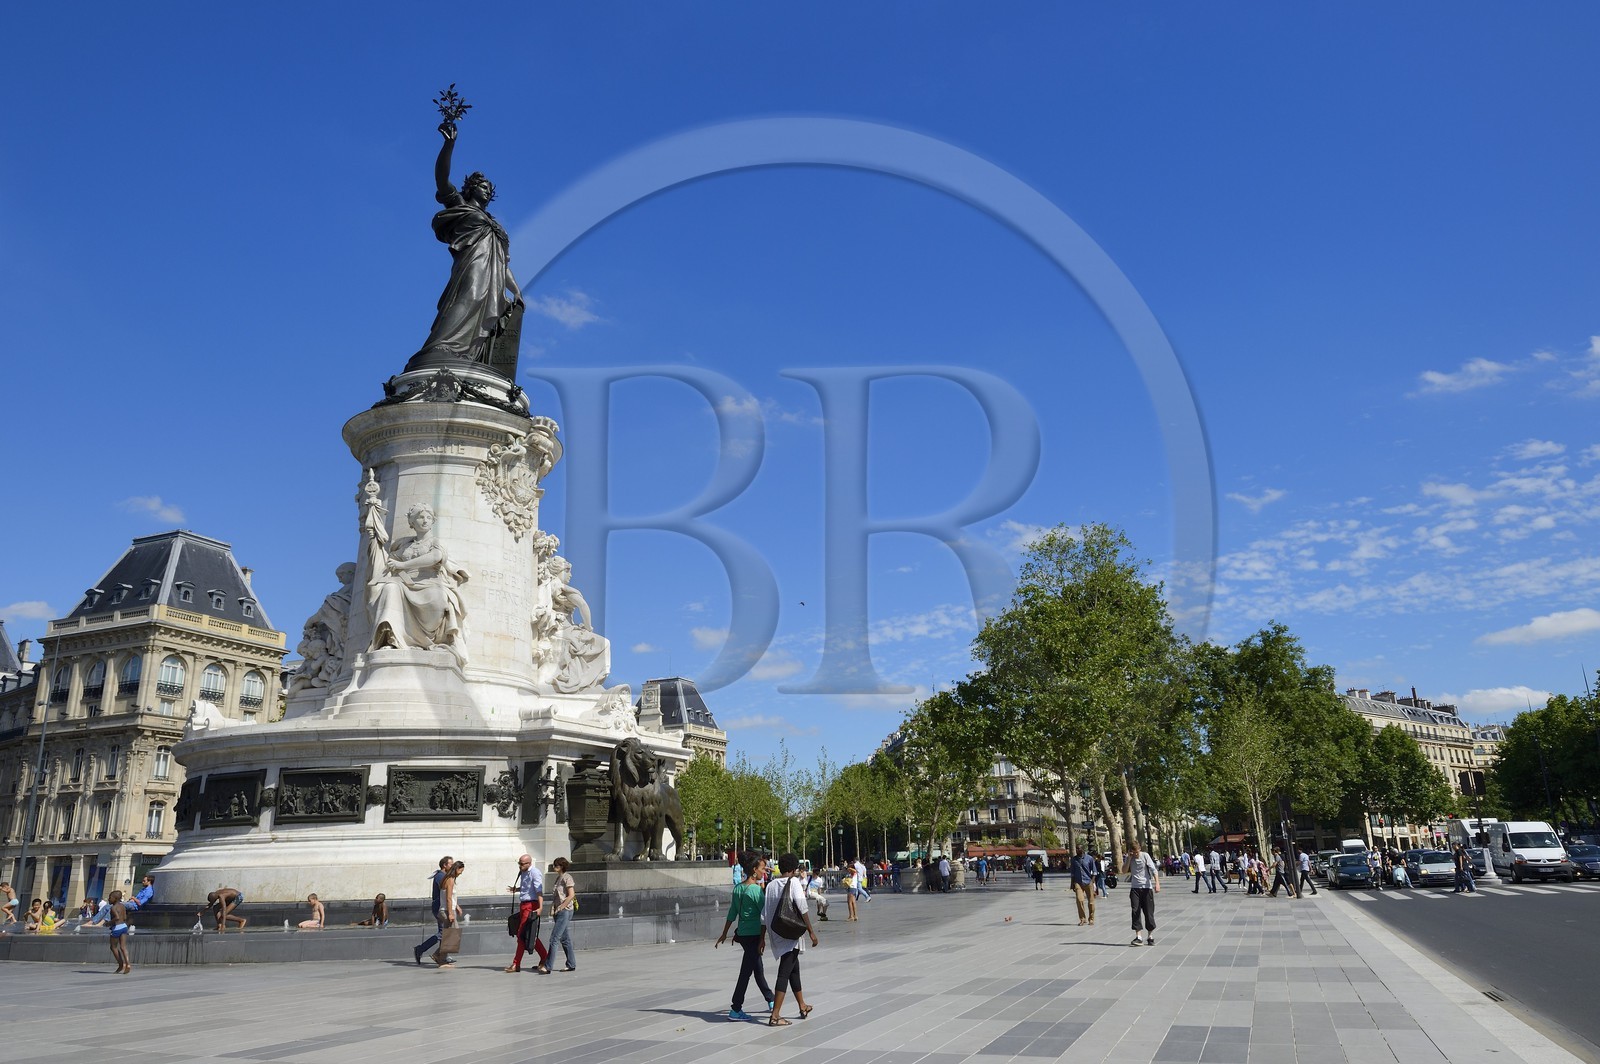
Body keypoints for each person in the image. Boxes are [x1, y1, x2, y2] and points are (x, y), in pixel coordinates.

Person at [412, 117, 523, 367]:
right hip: (472, 265)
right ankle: (442, 346)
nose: (487, 190)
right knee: (470, 296)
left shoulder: (495, 224)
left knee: (486, 311)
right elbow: (442, 180)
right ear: (471, 188)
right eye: (482, 186)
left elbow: (503, 263)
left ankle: (469, 355)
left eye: (489, 188)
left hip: (493, 275)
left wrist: (516, 290)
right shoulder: (461, 205)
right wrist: (448, 146)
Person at [714, 852, 775, 1021]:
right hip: (754, 934)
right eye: (762, 869)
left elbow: (732, 913)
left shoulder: (738, 888)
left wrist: (724, 933)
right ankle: (736, 1008)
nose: (765, 871)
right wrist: (763, 938)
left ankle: (770, 999)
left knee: (757, 969)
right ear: (754, 870)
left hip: (743, 934)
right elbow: (764, 915)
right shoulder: (755, 890)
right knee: (746, 972)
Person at [764, 853, 818, 1027]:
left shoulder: (771, 885)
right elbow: (802, 908)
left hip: (777, 932)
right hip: (791, 932)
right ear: (794, 869)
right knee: (784, 972)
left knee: (794, 970)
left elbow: (764, 914)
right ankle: (775, 1015)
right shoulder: (794, 882)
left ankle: (802, 1006)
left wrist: (762, 938)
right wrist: (811, 932)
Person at [505, 853, 550, 974]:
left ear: (529, 863)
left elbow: (539, 891)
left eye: (522, 864)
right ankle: (544, 957)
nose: (520, 866)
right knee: (529, 934)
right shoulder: (523, 872)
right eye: (519, 863)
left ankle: (516, 963)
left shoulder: (534, 873)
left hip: (531, 905)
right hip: (524, 905)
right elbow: (527, 888)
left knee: (521, 935)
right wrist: (517, 889)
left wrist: (540, 907)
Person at [414, 855, 453, 964]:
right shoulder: (441, 876)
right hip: (440, 907)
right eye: (451, 864)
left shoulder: (442, 875)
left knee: (444, 932)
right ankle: (422, 949)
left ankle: (442, 956)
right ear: (445, 865)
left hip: (440, 906)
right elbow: (446, 892)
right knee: (444, 932)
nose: (452, 866)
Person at [546, 856, 578, 973]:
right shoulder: (558, 878)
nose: (554, 867)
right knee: (565, 939)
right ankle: (571, 964)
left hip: (565, 911)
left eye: (557, 865)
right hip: (559, 911)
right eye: (554, 865)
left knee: (554, 938)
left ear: (562, 866)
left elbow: (571, 895)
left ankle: (548, 966)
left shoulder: (567, 877)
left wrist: (562, 906)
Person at [1126, 839, 1161, 946]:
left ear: (1140, 849)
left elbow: (1154, 870)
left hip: (1146, 888)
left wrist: (1157, 883)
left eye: (1137, 852)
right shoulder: (1130, 858)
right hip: (1135, 888)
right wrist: (1129, 858)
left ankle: (1150, 936)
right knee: (1135, 911)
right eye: (1134, 852)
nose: (1136, 854)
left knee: (1149, 912)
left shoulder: (1145, 856)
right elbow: (1123, 870)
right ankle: (1139, 937)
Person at [433, 860, 464, 968]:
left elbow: (450, 898)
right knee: (452, 934)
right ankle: (441, 959)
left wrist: (457, 907)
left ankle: (439, 955)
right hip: (447, 910)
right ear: (456, 869)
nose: (461, 873)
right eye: (460, 871)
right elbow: (448, 898)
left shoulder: (448, 878)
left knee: (450, 934)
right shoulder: (450, 879)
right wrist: (451, 913)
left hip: (447, 909)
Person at [1070, 843, 1097, 926]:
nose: (1077, 850)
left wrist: (1092, 882)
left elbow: (1094, 872)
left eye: (1078, 848)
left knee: (1091, 902)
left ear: (1082, 849)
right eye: (1076, 848)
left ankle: (1091, 919)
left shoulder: (1089, 858)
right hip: (1078, 882)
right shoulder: (1074, 860)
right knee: (1079, 900)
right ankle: (1082, 919)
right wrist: (1072, 884)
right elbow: (1072, 873)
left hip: (1088, 882)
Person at [106, 890, 131, 974]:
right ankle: (128, 964)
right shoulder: (123, 906)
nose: (108, 899)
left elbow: (116, 917)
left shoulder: (113, 908)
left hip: (117, 928)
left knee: (113, 947)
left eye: (110, 898)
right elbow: (125, 917)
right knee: (123, 947)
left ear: (115, 899)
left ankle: (121, 965)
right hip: (124, 926)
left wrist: (109, 923)